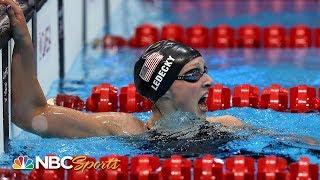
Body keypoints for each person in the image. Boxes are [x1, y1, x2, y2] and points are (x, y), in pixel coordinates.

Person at [2, 0, 241, 138]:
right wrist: (24, 40)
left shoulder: (229, 126)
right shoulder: (124, 130)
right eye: (193, 74)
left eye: (204, 70)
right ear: (164, 89)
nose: (209, 80)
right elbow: (30, 115)